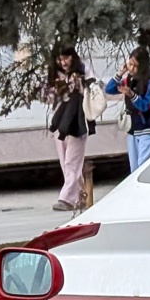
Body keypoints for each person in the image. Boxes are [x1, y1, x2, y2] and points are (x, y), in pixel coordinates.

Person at [45, 44, 92, 210]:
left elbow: (93, 91)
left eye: (66, 58)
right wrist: (56, 88)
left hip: (77, 120)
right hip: (60, 121)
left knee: (72, 160)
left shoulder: (83, 70)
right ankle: (80, 196)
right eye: (60, 59)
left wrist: (77, 84)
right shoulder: (54, 74)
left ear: (73, 57)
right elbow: (47, 98)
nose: (63, 62)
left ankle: (66, 199)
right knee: (66, 162)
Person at [106, 48, 150, 171]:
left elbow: (145, 105)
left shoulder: (149, 81)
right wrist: (120, 73)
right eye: (130, 64)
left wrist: (131, 95)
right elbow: (109, 89)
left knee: (143, 165)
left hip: (146, 128)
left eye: (135, 66)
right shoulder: (129, 79)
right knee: (134, 167)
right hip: (132, 128)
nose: (131, 68)